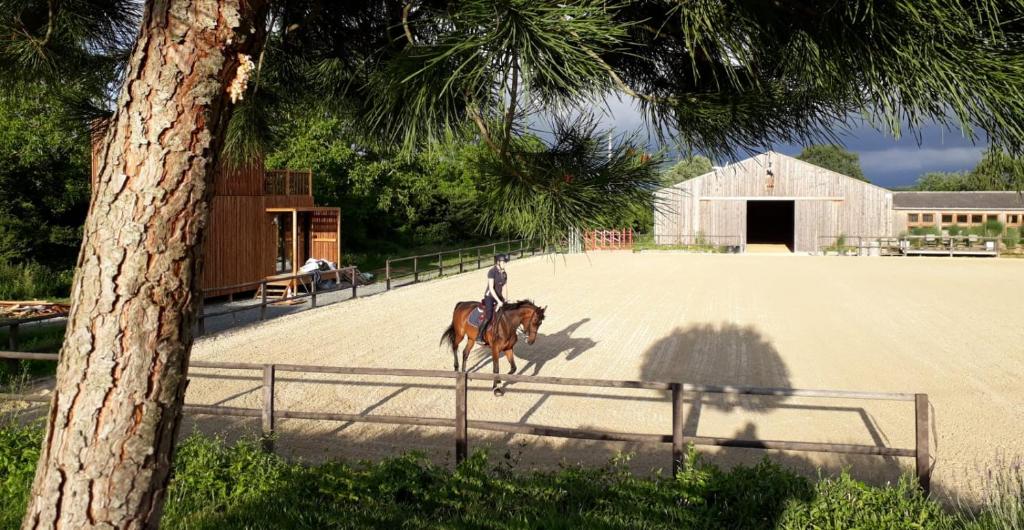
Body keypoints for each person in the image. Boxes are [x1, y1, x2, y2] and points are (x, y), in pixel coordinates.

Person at [477, 253, 509, 344]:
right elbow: (491, 288)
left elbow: (505, 287)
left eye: (505, 262)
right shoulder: (492, 271)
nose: (505, 264)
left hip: (498, 296)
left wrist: (505, 300)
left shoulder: (504, 273)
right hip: (490, 296)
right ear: (498, 262)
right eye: (504, 262)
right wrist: (499, 302)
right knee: (489, 315)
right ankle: (479, 336)